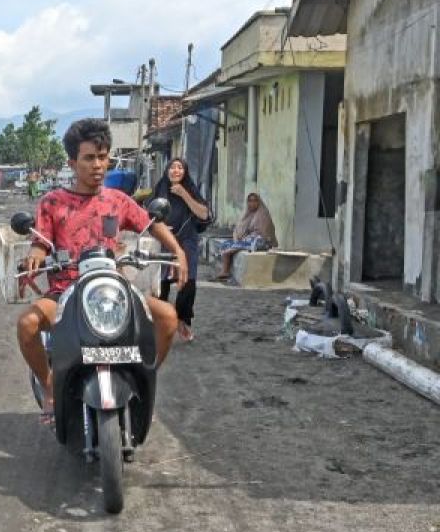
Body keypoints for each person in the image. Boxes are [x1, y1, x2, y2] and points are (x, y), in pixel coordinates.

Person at [16, 118, 186, 424]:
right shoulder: (52, 202)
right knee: (27, 324)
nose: (98, 165)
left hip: (113, 290)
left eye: (103, 156)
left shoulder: (118, 201)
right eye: (89, 158)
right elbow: (40, 241)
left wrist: (179, 251)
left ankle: (142, 376)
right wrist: (35, 255)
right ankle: (51, 386)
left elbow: (152, 222)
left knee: (168, 318)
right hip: (65, 293)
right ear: (72, 162)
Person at [150, 158, 212, 342]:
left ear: (184, 172)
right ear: (166, 171)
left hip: (187, 240)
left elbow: (204, 214)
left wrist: (184, 194)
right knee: (161, 284)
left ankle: (183, 321)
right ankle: (161, 322)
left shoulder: (190, 189)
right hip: (164, 240)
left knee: (188, 283)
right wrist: (158, 228)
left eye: (180, 167)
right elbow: (148, 215)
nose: (176, 170)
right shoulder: (160, 189)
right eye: (172, 167)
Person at [216, 192, 278, 281]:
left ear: (259, 202)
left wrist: (248, 236)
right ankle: (225, 270)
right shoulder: (248, 214)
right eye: (250, 201)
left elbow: (265, 234)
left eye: (255, 201)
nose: (252, 203)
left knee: (229, 251)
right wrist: (239, 236)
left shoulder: (263, 214)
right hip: (250, 240)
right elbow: (240, 229)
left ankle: (225, 271)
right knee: (225, 244)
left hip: (262, 242)